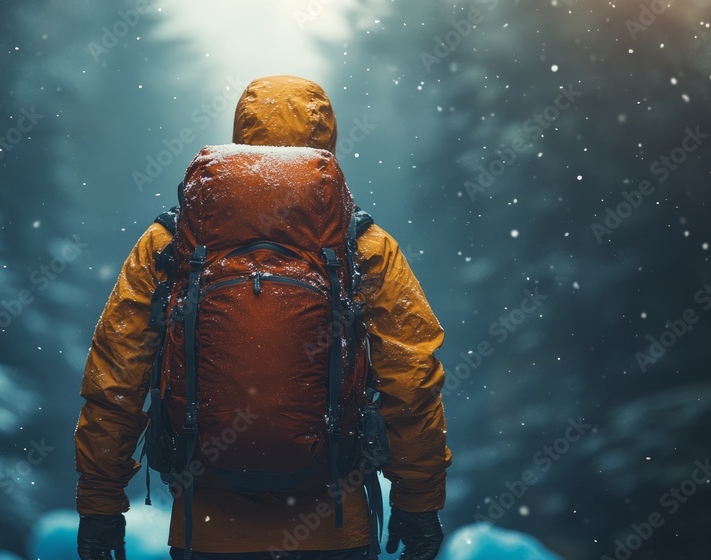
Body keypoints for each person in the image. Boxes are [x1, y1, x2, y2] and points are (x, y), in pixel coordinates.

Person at [74, 75, 452, 560]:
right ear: (328, 143)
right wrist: (418, 503)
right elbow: (413, 378)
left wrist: (99, 507)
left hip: (205, 531)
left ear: (241, 135)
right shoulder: (363, 247)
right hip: (334, 527)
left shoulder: (172, 243)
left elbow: (115, 378)